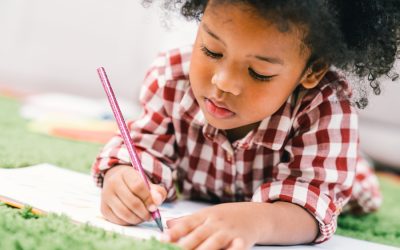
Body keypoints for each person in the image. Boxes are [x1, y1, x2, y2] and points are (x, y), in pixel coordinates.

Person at [92, 0, 399, 249]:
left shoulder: (325, 108)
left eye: (259, 72)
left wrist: (257, 220)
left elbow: (314, 203)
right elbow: (143, 146)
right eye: (212, 51)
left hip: (331, 169)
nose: (222, 83)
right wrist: (125, 178)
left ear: (312, 71)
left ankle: (360, 161)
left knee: (356, 182)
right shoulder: (171, 77)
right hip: (213, 186)